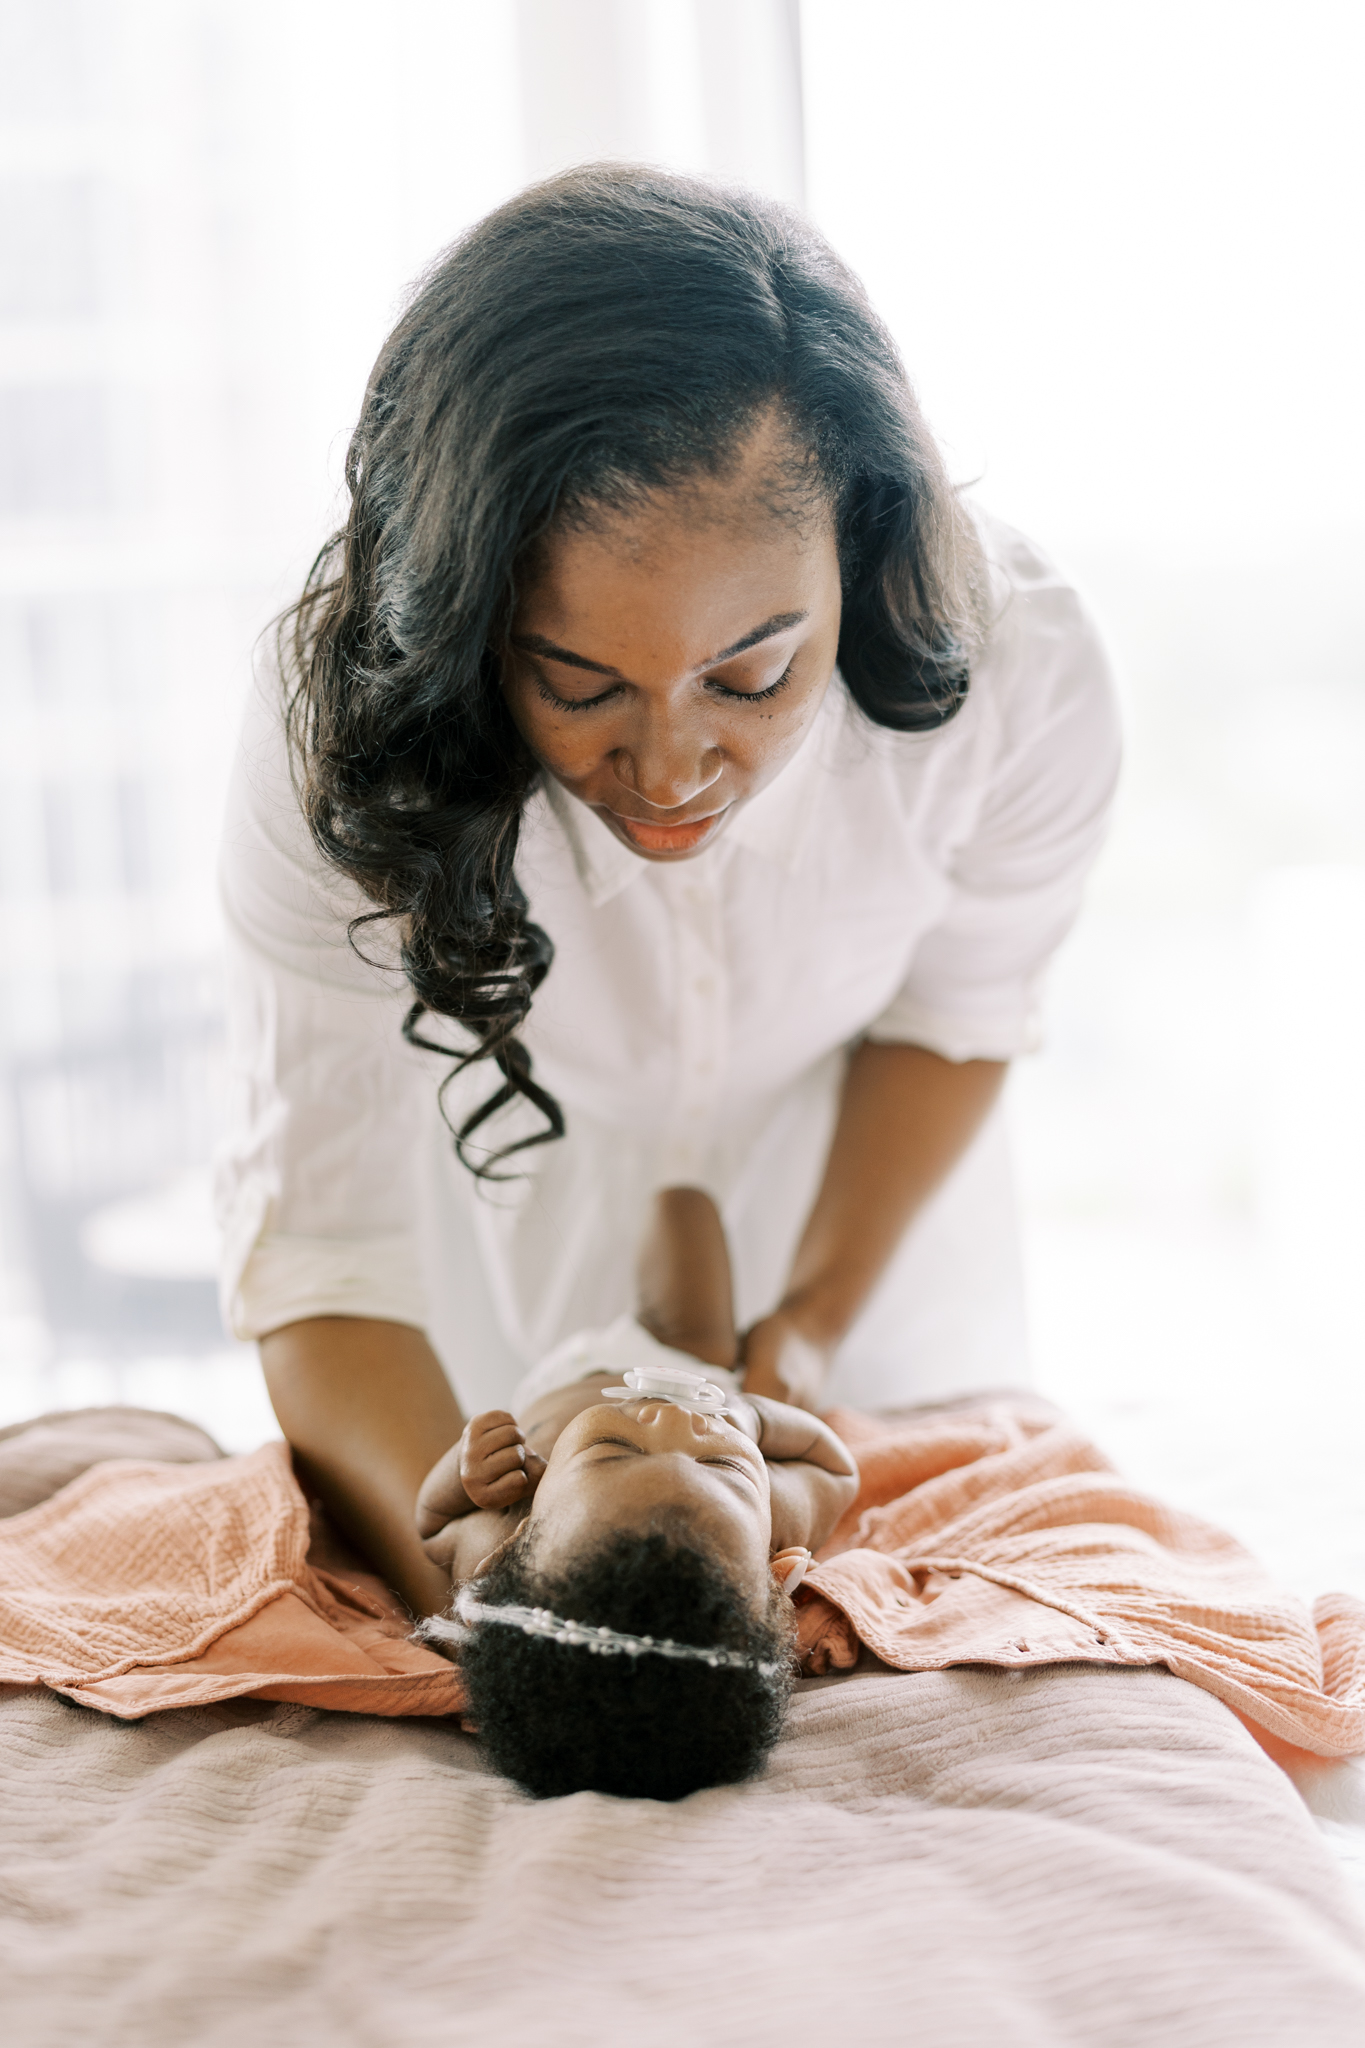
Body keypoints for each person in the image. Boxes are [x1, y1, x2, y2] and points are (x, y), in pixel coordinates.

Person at [217, 163, 1120, 1619]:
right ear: (465, 631)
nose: (672, 765)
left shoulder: (1023, 671)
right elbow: (324, 1249)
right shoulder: (344, 737)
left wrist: (812, 1331)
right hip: (458, 1346)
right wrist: (482, 1576)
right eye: (578, 684)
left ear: (865, 547)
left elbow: (958, 1014)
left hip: (870, 1273)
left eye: (754, 674)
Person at [415, 1188, 858, 1799]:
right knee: (684, 1209)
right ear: (777, 1572)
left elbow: (432, 1528)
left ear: (519, 1543)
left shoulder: (510, 1537)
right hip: (682, 1358)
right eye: (722, 1465)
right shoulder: (772, 1516)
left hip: (554, 1388)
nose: (674, 1423)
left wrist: (466, 1472)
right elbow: (835, 1468)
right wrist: (750, 1420)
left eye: (614, 1453)